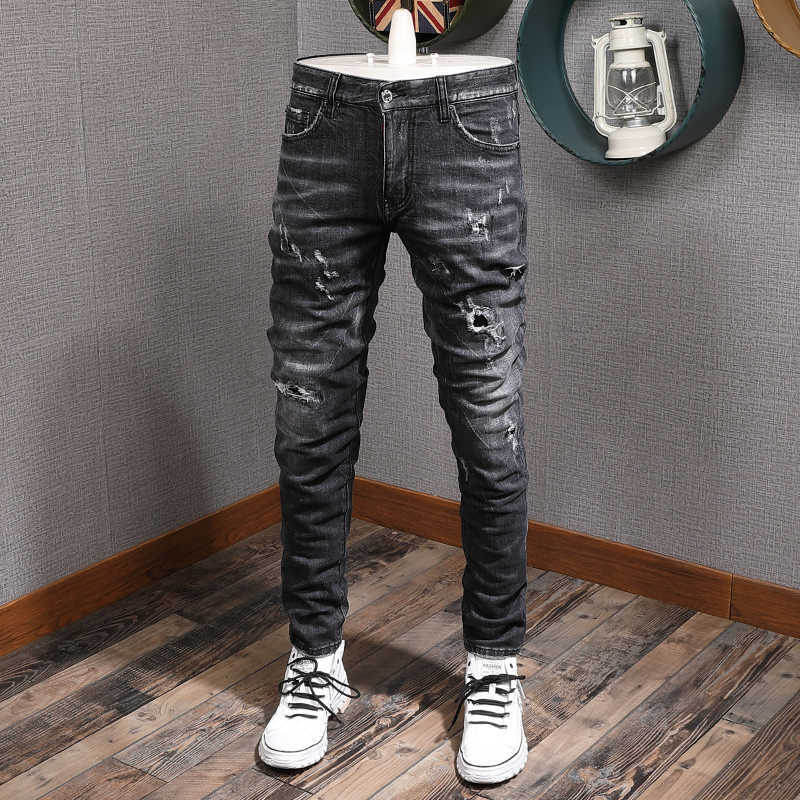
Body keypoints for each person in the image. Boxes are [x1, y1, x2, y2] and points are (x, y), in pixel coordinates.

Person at [257, 44, 530, 785]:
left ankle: (494, 666)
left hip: (465, 122)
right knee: (308, 422)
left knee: (489, 423)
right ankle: (314, 658)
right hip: (328, 122)